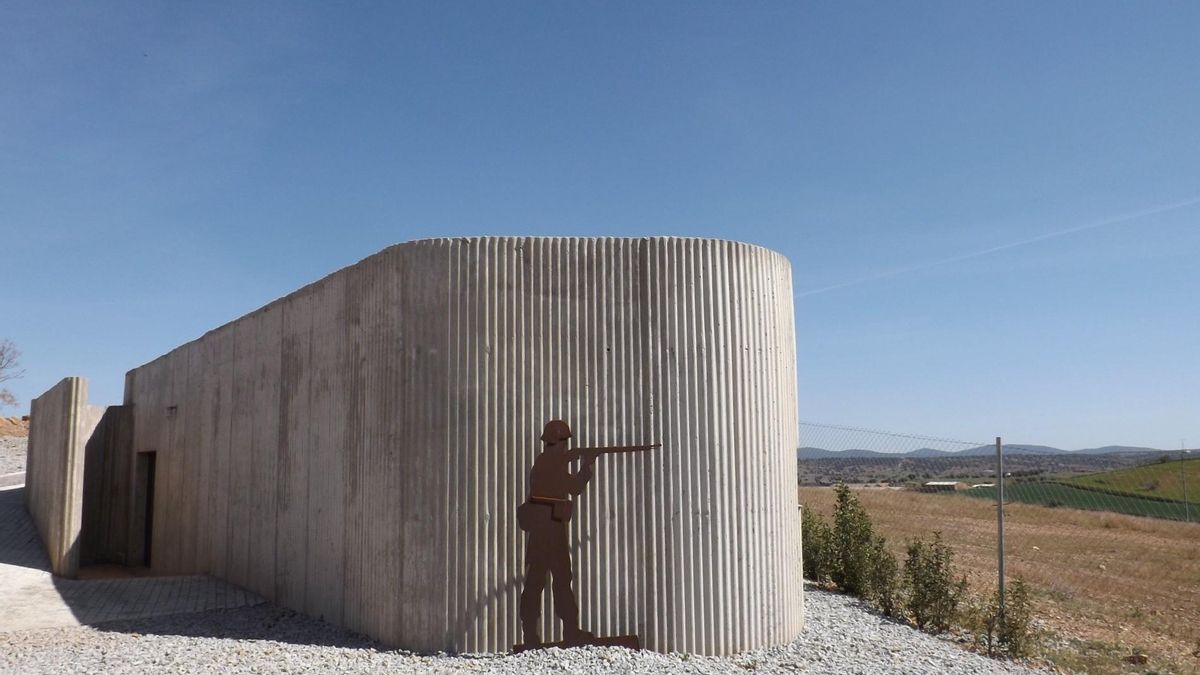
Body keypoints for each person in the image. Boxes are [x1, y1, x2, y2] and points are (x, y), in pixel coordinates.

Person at [517, 419, 595, 646]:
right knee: (561, 582)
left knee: (535, 583)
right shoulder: (552, 465)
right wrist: (587, 467)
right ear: (559, 443)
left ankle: (530, 635)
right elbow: (574, 487)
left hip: (541, 535)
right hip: (552, 533)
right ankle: (570, 633)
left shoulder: (542, 464)